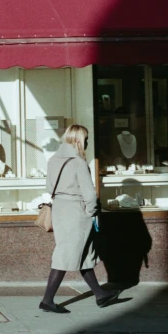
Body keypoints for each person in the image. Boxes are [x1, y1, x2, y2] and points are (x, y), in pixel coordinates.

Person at [40, 124, 120, 313]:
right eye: (86, 138)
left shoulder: (53, 160)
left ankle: (100, 295)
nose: (87, 142)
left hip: (60, 209)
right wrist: (91, 212)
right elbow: (90, 195)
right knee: (65, 254)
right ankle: (47, 300)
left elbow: (49, 188)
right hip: (76, 212)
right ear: (78, 140)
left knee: (83, 253)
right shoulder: (78, 162)